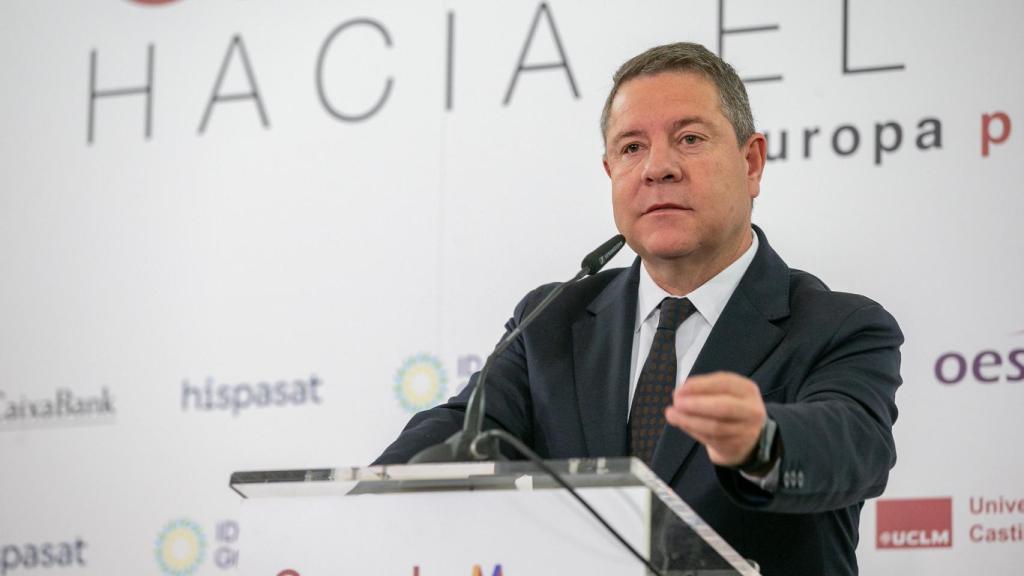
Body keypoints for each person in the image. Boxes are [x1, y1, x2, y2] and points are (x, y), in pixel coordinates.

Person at [374, 42, 903, 576]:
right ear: (610, 173)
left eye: (690, 139)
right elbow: (464, 430)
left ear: (751, 162)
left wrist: (759, 441)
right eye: (631, 148)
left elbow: (852, 446)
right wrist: (364, 497)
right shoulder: (551, 320)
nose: (658, 168)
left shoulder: (840, 327)